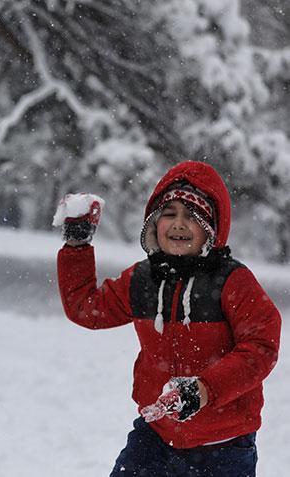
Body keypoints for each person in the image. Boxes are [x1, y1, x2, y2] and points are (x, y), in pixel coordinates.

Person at [56, 161, 281, 476]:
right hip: (157, 436)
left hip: (224, 444)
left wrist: (203, 390)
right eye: (169, 214)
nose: (179, 224)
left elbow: (261, 346)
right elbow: (86, 308)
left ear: (211, 227)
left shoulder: (232, 282)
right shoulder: (142, 279)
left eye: (192, 216)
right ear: (153, 222)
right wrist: (77, 245)